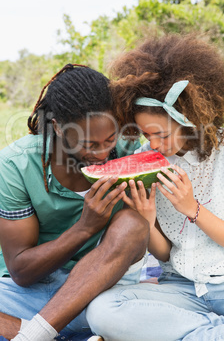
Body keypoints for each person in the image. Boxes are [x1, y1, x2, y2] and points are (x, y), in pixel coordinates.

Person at [84, 34, 224, 340]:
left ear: (190, 119)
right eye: (145, 133)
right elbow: (166, 255)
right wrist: (146, 219)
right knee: (102, 309)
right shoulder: (147, 160)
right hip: (181, 288)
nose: (153, 145)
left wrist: (190, 208)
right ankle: (220, 333)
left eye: (162, 134)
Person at [0, 64, 149, 340]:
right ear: (57, 127)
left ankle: (31, 334)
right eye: (90, 145)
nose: (104, 153)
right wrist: (86, 227)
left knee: (132, 223)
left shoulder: (131, 152)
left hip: (99, 289)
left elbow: (134, 239)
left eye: (110, 138)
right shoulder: (15, 165)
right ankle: (49, 331)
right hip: (28, 293)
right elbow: (20, 271)